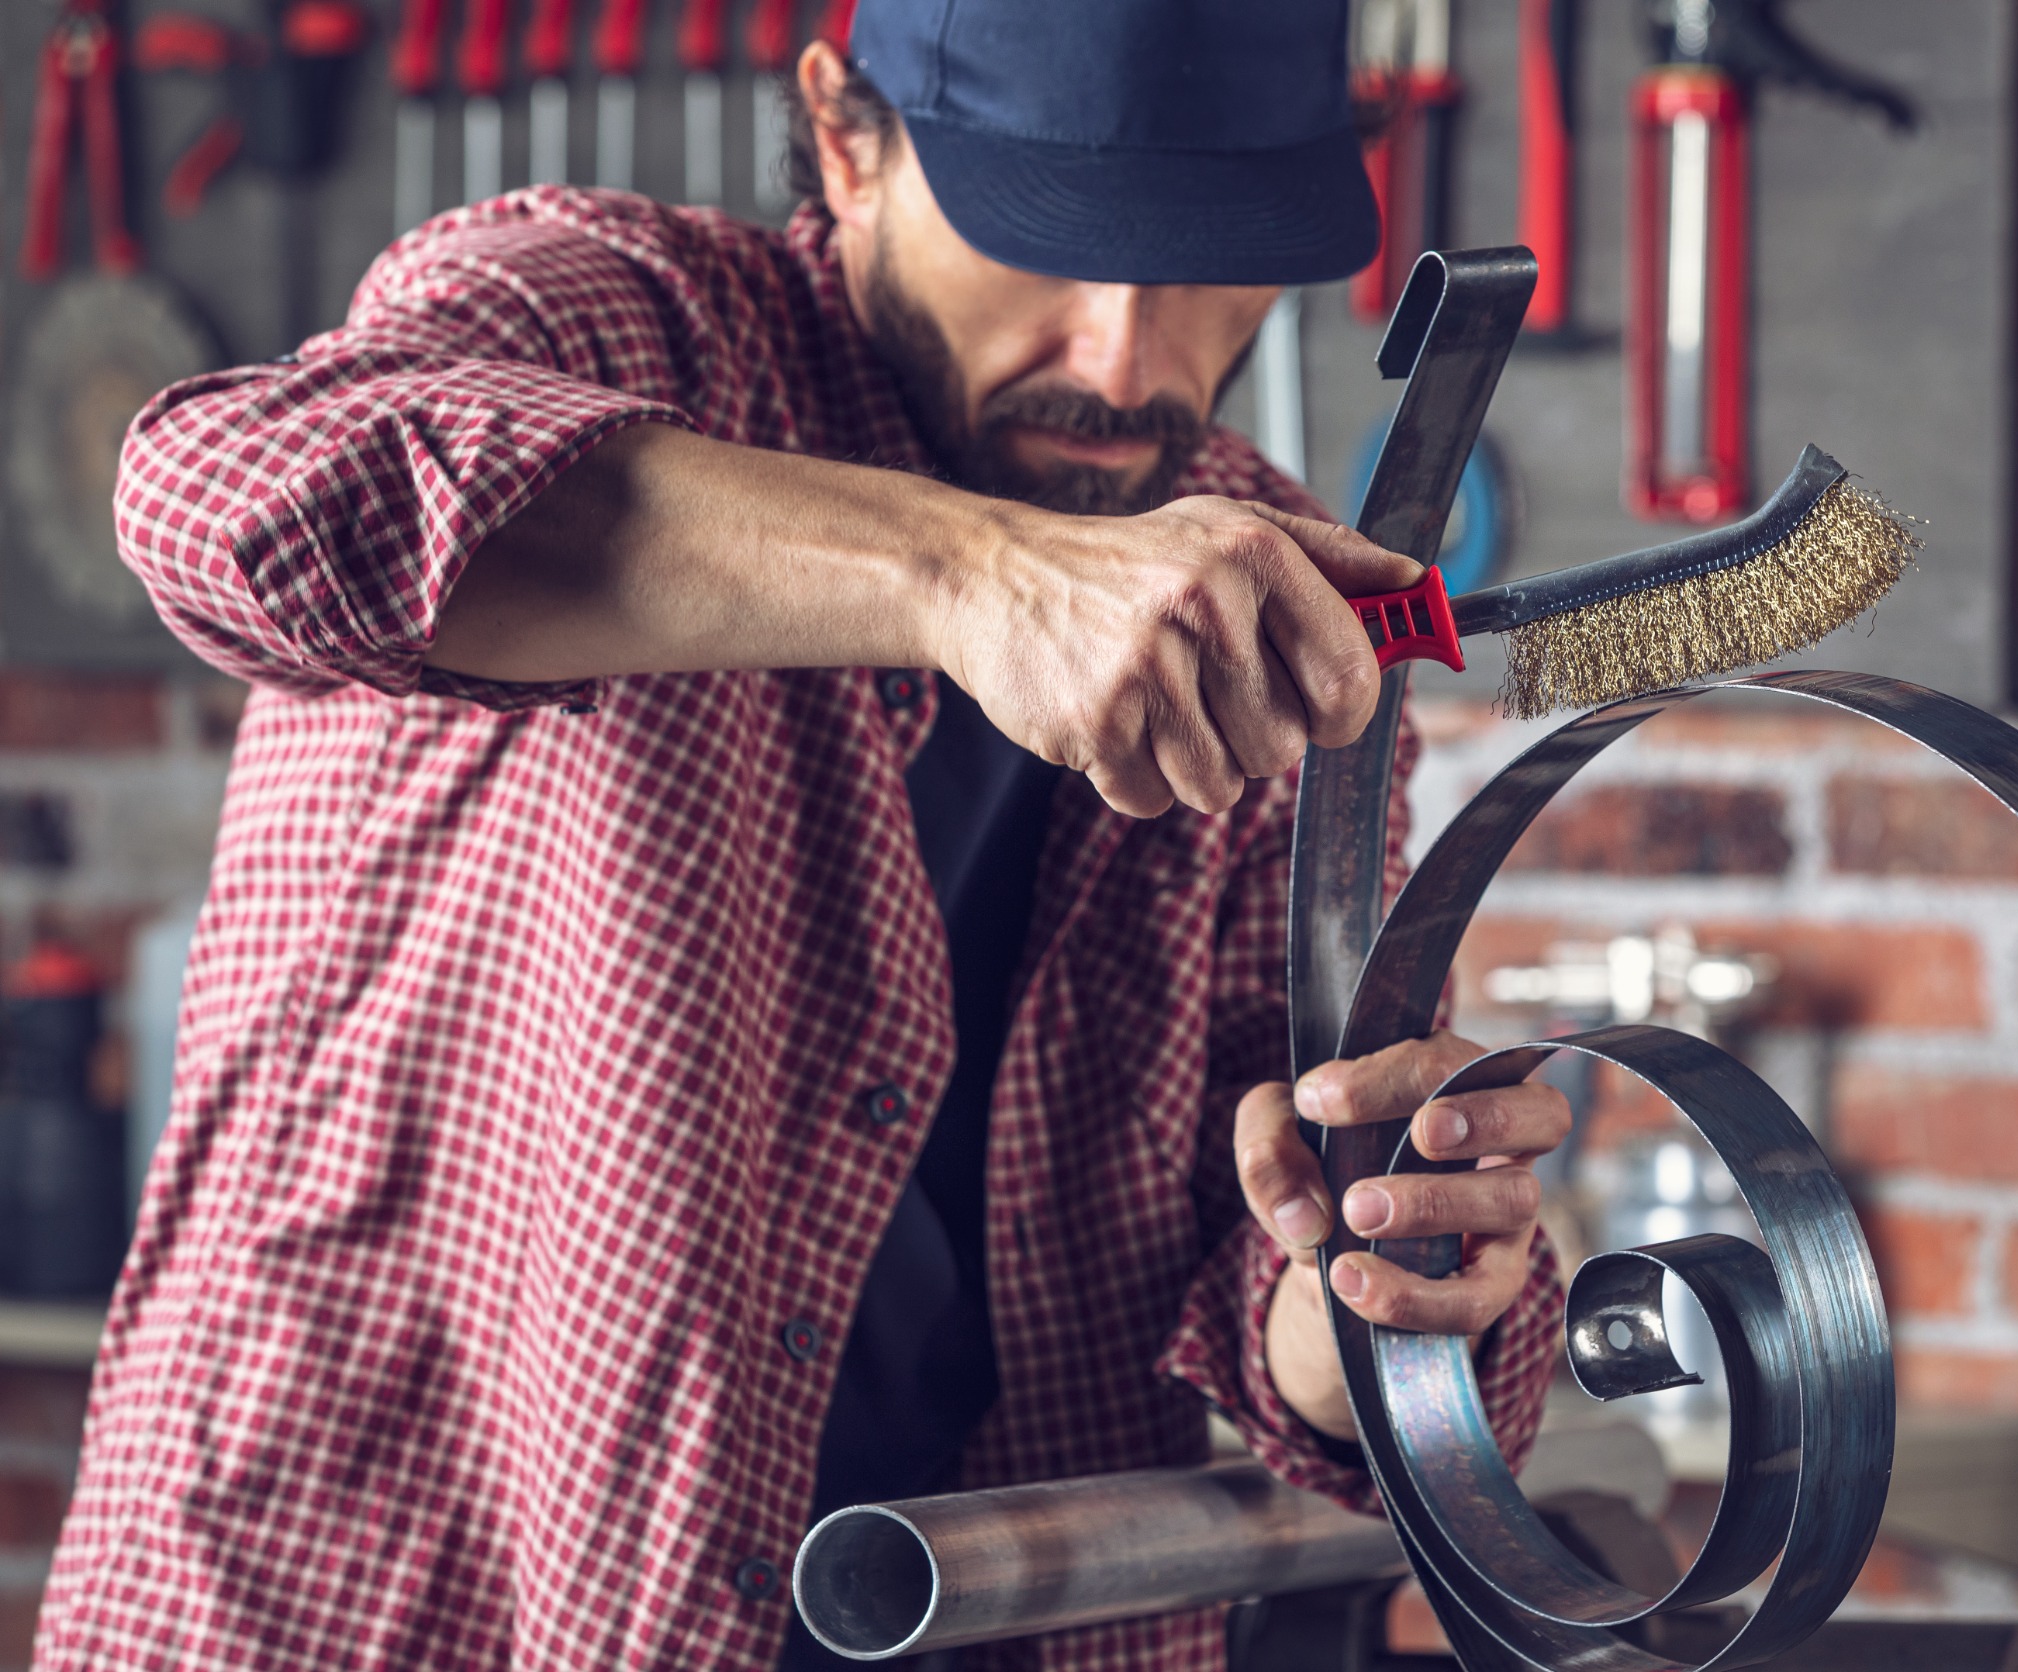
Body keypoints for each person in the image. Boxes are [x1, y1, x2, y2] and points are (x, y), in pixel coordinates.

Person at [37, 2, 1569, 1668]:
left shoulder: (1250, 601)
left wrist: (1363, 1308)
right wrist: (967, 569)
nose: (1128, 364)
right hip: (409, 1610)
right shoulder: (613, 320)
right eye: (1049, 240)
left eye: (1210, 261)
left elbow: (1249, 1276)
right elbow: (231, 496)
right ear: (847, 136)